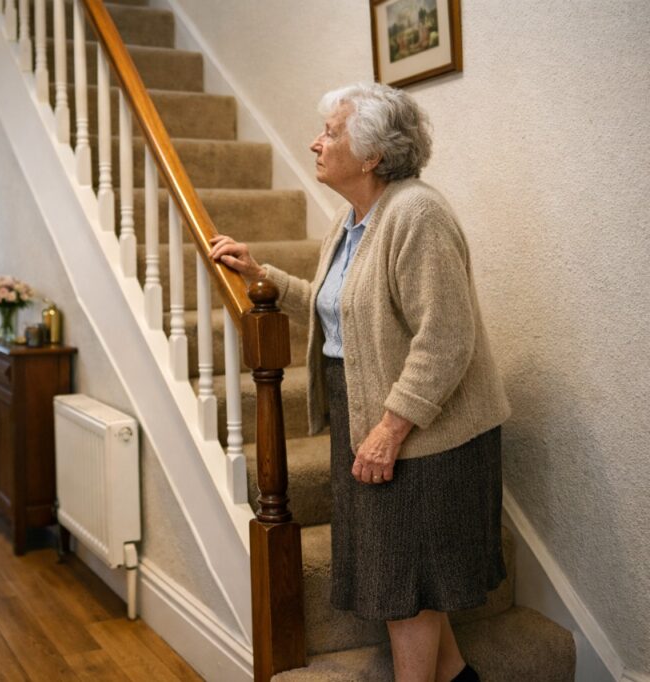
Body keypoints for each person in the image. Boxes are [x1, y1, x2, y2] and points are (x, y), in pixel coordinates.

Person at [209, 83, 510, 682]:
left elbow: (446, 340)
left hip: (426, 430)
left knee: (405, 583)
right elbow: (343, 311)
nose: (315, 142)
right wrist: (261, 274)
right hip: (366, 411)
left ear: (372, 154)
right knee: (404, 576)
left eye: (332, 132)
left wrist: (390, 430)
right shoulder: (354, 221)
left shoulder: (416, 214)